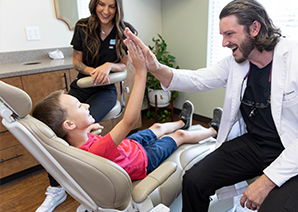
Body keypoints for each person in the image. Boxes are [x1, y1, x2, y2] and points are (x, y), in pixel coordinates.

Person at [124, 0, 298, 211]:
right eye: (222, 35)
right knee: (194, 181)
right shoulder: (237, 62)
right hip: (255, 143)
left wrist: (267, 180)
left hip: (295, 149)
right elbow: (197, 79)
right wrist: (155, 67)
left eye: (229, 34)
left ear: (255, 28)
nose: (223, 43)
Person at [32, 40, 221, 209]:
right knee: (179, 137)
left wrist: (87, 128)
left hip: (128, 146)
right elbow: (129, 120)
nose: (87, 104)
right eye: (79, 106)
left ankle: (182, 121)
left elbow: (88, 136)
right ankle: (214, 130)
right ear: (69, 125)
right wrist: (140, 71)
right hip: (143, 160)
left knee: (156, 127)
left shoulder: (73, 144)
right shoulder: (97, 150)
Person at [35, 0, 137, 211]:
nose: (106, 11)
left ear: (118, 8)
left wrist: (108, 66)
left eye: (111, 6)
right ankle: (56, 190)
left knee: (81, 131)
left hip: (106, 90)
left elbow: (125, 64)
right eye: (102, 4)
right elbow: (77, 63)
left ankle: (88, 179)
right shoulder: (83, 27)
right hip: (81, 88)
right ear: (94, 4)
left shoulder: (125, 30)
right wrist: (94, 71)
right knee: (55, 131)